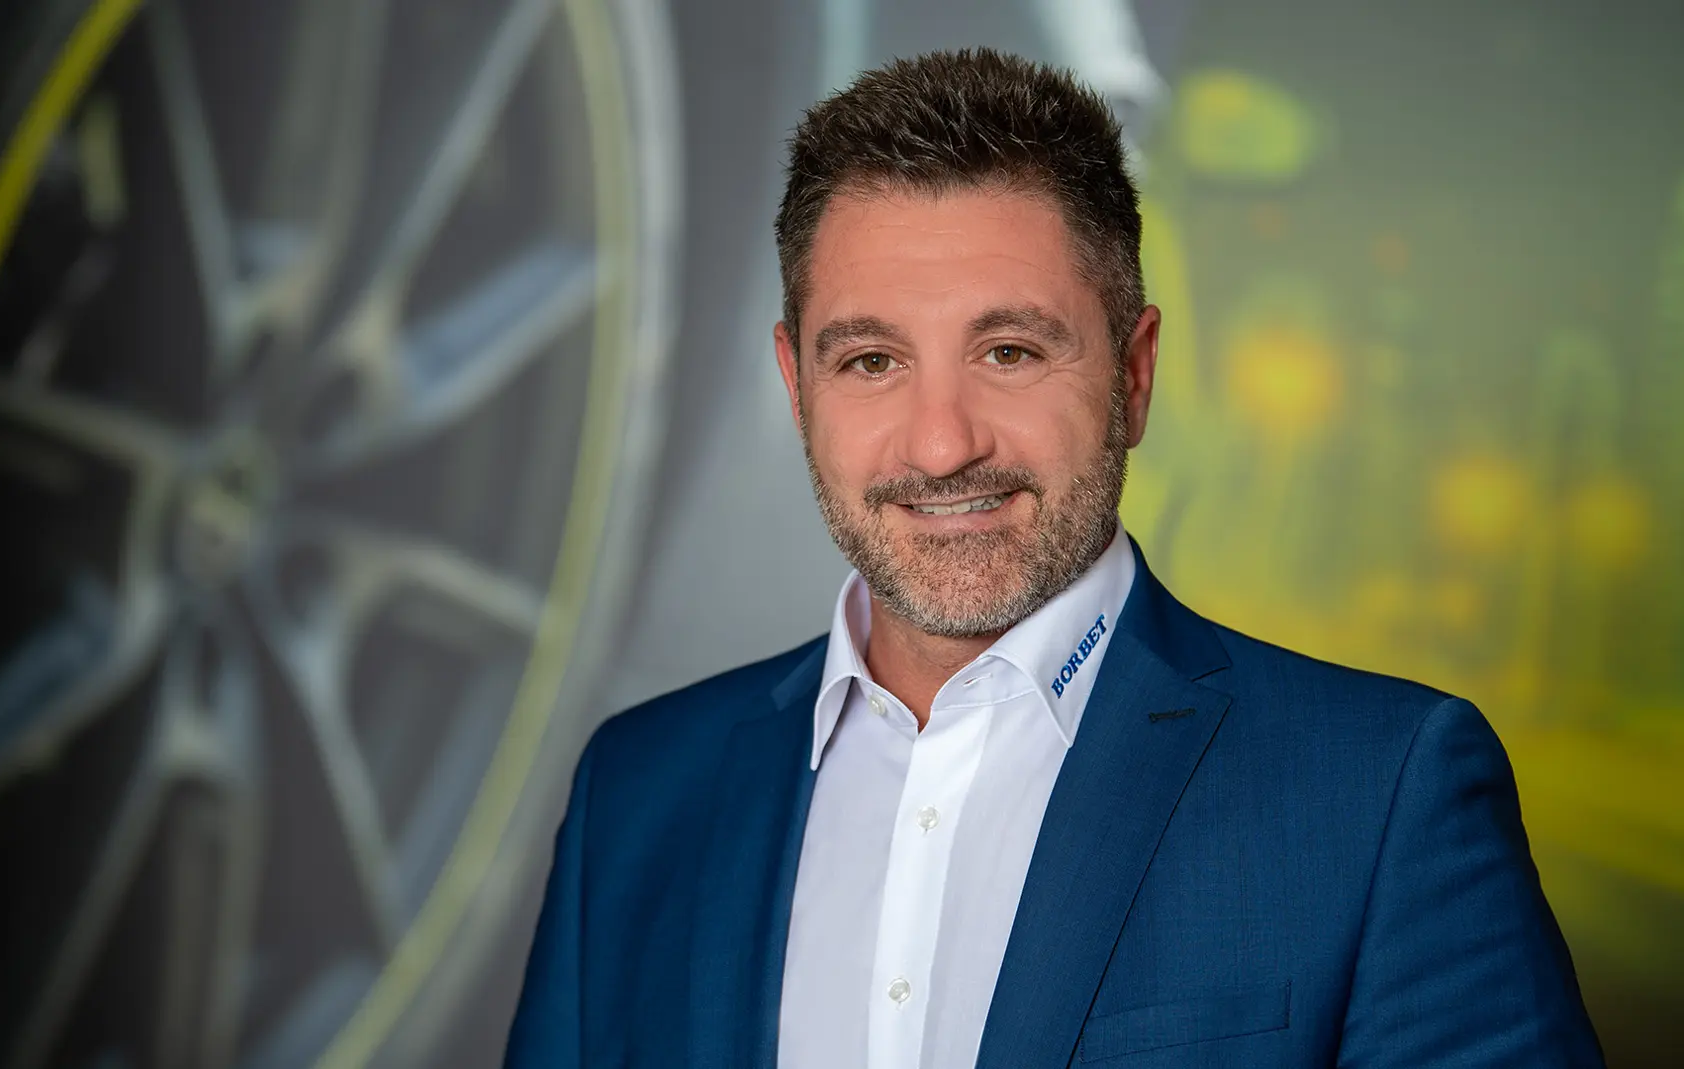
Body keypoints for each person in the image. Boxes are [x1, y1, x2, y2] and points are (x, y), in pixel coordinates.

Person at [503, 48, 1602, 1068]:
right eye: (873, 360)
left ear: (1134, 374)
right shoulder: (635, 793)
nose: (943, 444)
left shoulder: (1381, 794)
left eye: (1010, 350)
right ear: (798, 388)